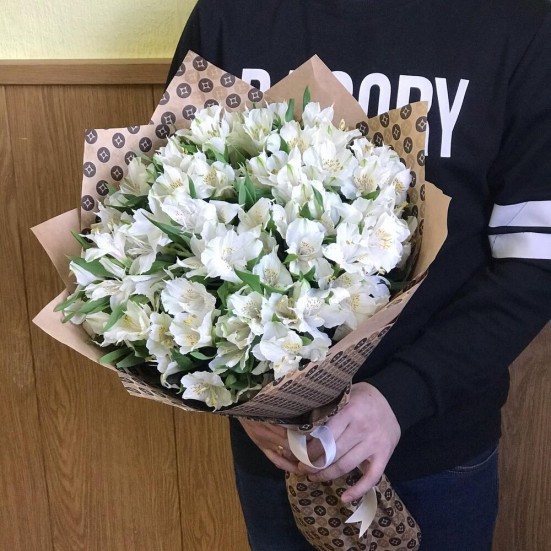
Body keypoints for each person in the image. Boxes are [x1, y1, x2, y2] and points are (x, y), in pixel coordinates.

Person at [166, 1, 551, 549]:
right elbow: (171, 208)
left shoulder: (519, 23)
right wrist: (241, 393)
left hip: (436, 445)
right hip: (275, 452)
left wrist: (400, 397)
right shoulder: (229, 15)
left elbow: (534, 264)